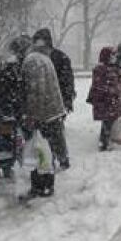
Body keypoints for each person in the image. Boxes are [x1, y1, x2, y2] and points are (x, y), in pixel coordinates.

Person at [21, 37, 66, 196]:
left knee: (38, 150)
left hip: (44, 113)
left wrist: (32, 115)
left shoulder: (31, 61)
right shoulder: (43, 58)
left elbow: (36, 90)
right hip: (52, 111)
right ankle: (46, 184)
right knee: (46, 150)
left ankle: (41, 186)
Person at [32, 29, 73, 169]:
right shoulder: (37, 58)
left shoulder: (59, 58)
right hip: (47, 102)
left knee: (54, 133)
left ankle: (59, 159)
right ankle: (53, 159)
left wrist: (67, 101)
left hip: (55, 102)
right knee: (50, 134)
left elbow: (67, 81)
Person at [88, 47, 121, 151]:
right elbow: (100, 85)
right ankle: (104, 143)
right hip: (105, 101)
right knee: (107, 121)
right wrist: (111, 91)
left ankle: (104, 141)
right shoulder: (101, 69)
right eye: (112, 56)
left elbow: (116, 79)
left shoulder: (110, 68)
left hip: (109, 100)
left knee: (108, 121)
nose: (114, 58)